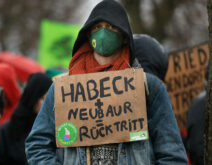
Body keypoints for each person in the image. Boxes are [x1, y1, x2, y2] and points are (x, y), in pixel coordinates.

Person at [25, 1, 188, 164]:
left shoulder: (149, 87)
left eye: (111, 27)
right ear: (88, 34)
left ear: (124, 37)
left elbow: (172, 155)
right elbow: (37, 145)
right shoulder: (63, 89)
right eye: (97, 27)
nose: (103, 32)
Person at [0, 73, 53, 165]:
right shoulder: (7, 131)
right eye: (44, 98)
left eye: (51, 99)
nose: (48, 104)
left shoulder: (53, 127)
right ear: (33, 98)